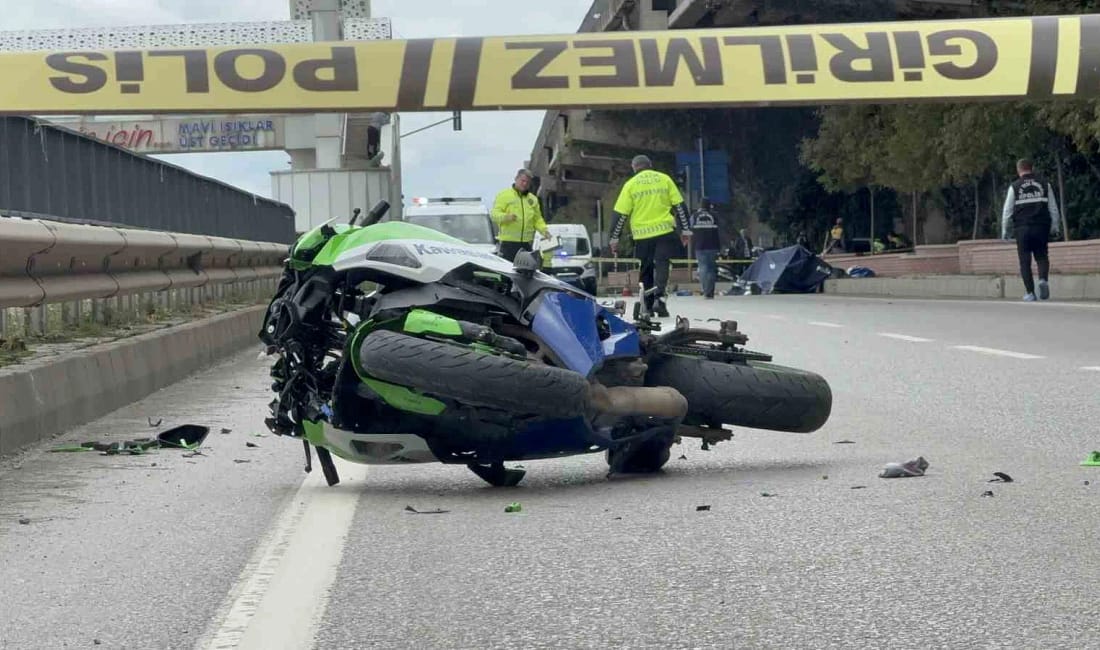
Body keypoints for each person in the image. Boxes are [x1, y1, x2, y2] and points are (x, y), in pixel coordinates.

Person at [609, 155, 692, 317]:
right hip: (664, 231)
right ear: (650, 165)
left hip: (642, 235)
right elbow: (680, 206)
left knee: (646, 268)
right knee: (662, 264)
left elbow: (620, 215)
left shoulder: (630, 185)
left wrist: (614, 238)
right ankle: (660, 299)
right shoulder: (664, 179)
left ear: (634, 168)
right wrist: (686, 230)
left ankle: (646, 304)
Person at [1001, 158, 1061, 301]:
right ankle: (1043, 280)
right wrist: (1055, 226)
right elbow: (1053, 208)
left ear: (1018, 170)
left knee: (1024, 261)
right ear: (1032, 168)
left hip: (1022, 229)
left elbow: (1007, 211)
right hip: (1041, 227)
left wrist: (1005, 230)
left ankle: (1030, 293)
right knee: (1041, 256)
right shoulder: (1045, 184)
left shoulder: (1014, 187)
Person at [491, 168, 550, 263]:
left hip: (526, 244)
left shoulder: (533, 199)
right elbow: (494, 214)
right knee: (508, 273)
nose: (525, 184)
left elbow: (537, 219)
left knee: (526, 273)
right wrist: (506, 217)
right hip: (508, 244)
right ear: (516, 179)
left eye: (527, 182)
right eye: (522, 181)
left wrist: (544, 231)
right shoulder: (504, 195)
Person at [691, 199, 721, 299]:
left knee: (703, 268)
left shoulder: (694, 216)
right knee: (712, 268)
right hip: (713, 245)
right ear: (709, 206)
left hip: (699, 246)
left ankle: (705, 291)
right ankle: (710, 291)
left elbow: (690, 228)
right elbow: (719, 229)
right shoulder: (714, 216)